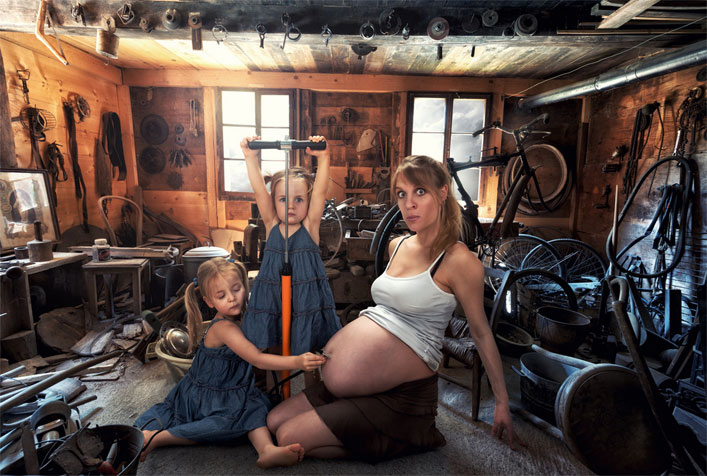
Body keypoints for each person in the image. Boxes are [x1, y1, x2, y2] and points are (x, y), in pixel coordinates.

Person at [266, 155, 519, 463]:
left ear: (442, 192)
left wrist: (502, 402)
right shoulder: (396, 245)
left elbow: (480, 333)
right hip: (365, 383)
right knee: (274, 421)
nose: (409, 204)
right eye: (402, 194)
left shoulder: (459, 261)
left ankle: (404, 435)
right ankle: (357, 426)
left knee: (288, 436)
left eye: (420, 192)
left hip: (403, 397)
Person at [135, 257, 327, 469]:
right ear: (209, 302)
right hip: (208, 396)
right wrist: (297, 361)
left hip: (233, 388)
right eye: (222, 296)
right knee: (225, 423)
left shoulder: (240, 318)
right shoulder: (223, 328)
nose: (232, 298)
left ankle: (266, 450)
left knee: (255, 406)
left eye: (236, 289)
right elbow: (257, 359)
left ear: (244, 286)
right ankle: (157, 437)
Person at [239, 135, 341, 356]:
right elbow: (259, 190)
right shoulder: (272, 223)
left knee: (309, 348)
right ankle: (277, 377)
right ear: (274, 201)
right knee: (273, 342)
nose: (291, 206)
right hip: (273, 294)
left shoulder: (310, 225)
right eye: (283, 199)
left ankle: (308, 378)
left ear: (308, 201)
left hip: (305, 298)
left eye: (299, 199)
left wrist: (324, 158)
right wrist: (250, 157)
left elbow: (320, 191)